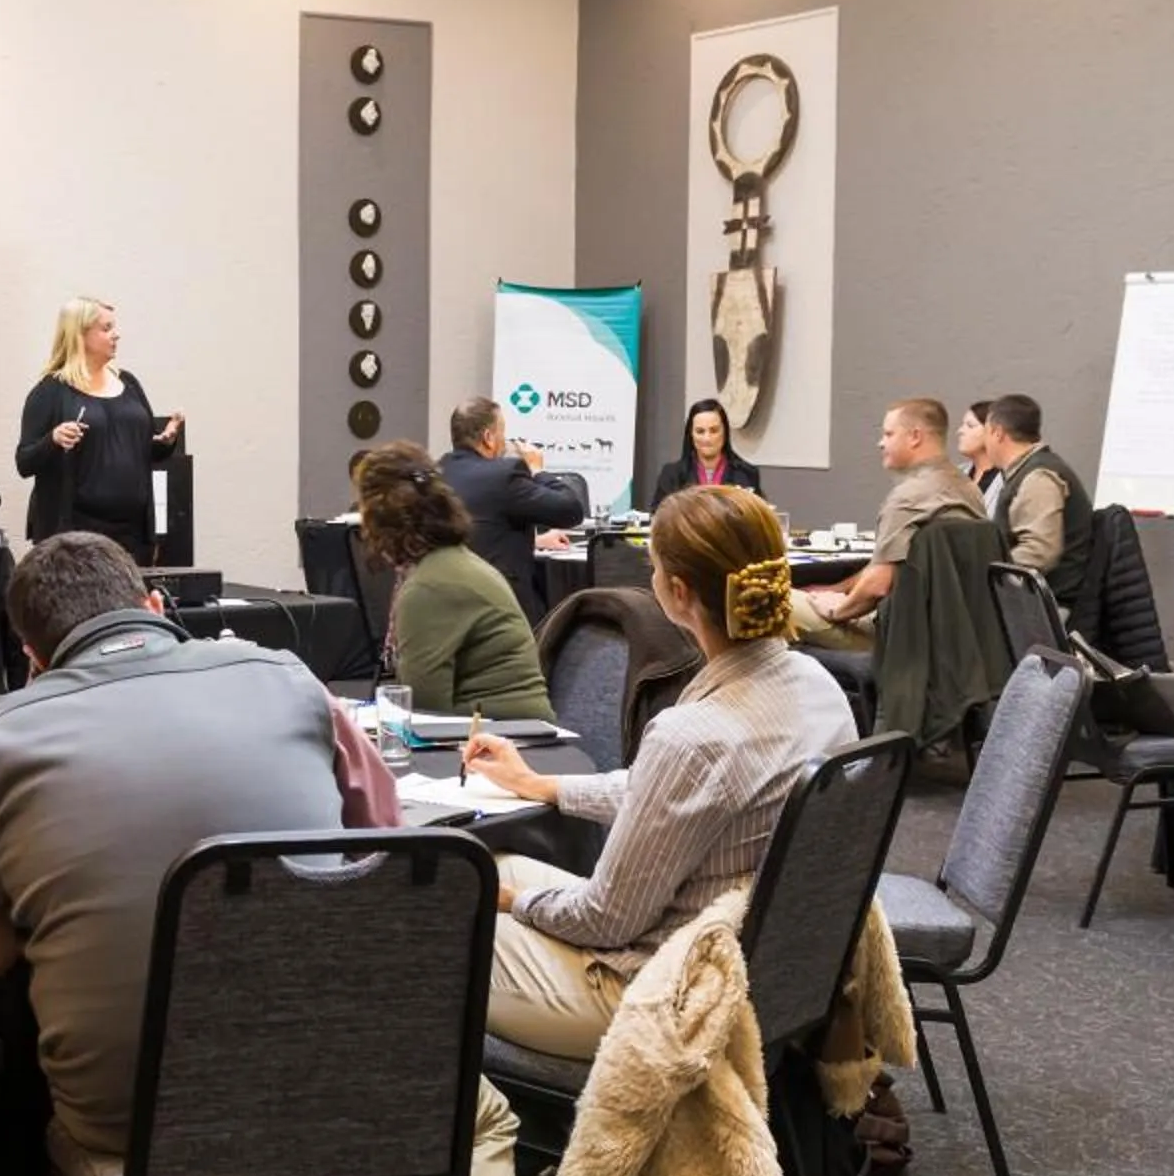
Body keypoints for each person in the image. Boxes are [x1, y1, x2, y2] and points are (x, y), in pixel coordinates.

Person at [0, 532, 598, 1176]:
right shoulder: (288, 681)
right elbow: (385, 851)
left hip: (135, 1127)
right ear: (155, 609)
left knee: (187, 1100)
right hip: (327, 1089)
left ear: (32, 657)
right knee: (477, 1117)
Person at [462, 486, 855, 1059]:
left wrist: (510, 902)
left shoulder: (692, 735)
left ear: (677, 593)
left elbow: (606, 920)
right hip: (772, 970)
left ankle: (467, 1109)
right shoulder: (817, 687)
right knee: (488, 868)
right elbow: (673, 792)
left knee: (431, 920)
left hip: (658, 991)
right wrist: (541, 786)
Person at [356, 442, 554, 724]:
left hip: (501, 733)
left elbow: (423, 709)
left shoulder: (429, 587)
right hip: (511, 727)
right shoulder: (455, 564)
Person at [791, 399, 989, 649]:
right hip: (956, 638)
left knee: (773, 602)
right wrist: (836, 589)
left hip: (899, 643)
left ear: (915, 437)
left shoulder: (909, 497)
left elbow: (878, 585)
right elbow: (889, 567)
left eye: (888, 434)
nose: (881, 443)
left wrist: (835, 610)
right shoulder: (969, 489)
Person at [13, 297, 182, 561]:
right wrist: (53, 439)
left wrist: (165, 442)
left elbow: (143, 452)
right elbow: (24, 462)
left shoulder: (129, 383)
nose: (117, 335)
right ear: (79, 335)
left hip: (134, 535)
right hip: (74, 539)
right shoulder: (51, 391)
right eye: (106, 328)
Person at [437, 396, 585, 617]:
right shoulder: (504, 475)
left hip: (446, 605)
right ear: (488, 438)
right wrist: (537, 470)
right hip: (500, 608)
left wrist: (536, 541)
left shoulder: (436, 474)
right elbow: (571, 510)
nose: (505, 442)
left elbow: (478, 532)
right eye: (502, 433)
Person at [976, 393, 1096, 602]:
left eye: (985, 432)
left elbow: (1040, 551)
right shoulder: (1028, 472)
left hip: (1046, 607)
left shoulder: (1039, 478)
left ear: (997, 433)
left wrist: (984, 574)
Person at [648, 397, 762, 507]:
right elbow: (659, 516)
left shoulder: (747, 474)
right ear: (691, 435)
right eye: (700, 431)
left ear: (725, 432)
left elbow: (757, 516)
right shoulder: (672, 476)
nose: (707, 438)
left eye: (714, 430)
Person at [955, 400, 998, 492]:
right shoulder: (957, 474)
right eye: (963, 425)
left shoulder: (1008, 479)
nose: (960, 431)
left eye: (970, 426)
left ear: (993, 431)